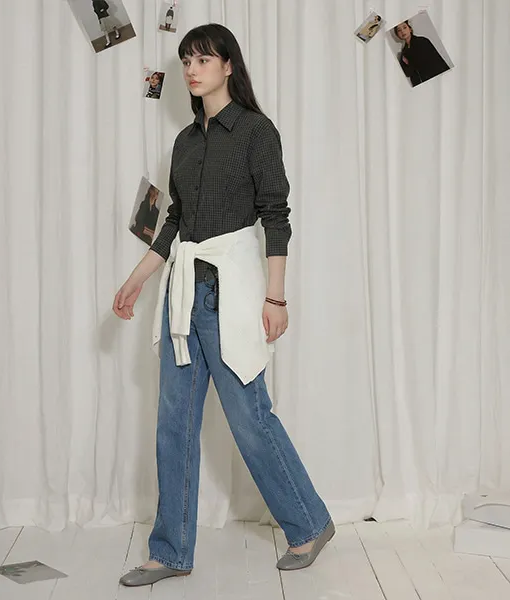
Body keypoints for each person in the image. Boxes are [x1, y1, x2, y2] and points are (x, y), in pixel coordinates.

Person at [113, 23, 335, 588]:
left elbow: (276, 216)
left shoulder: (257, 132)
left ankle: (309, 524)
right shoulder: (185, 142)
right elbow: (176, 222)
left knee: (249, 419)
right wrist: (137, 280)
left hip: (229, 292)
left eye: (203, 59)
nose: (192, 69)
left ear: (228, 65)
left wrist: (276, 295)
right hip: (181, 294)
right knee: (173, 424)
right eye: (186, 60)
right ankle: (170, 552)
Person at [394, 20, 450, 86]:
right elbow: (408, 73)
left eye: (404, 27)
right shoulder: (404, 52)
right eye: (399, 30)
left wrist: (409, 63)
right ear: (397, 35)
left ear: (410, 29)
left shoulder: (422, 41)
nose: (402, 31)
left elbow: (431, 62)